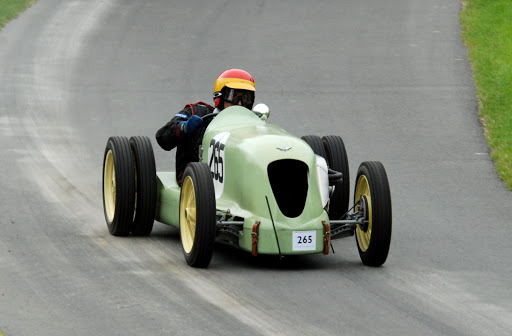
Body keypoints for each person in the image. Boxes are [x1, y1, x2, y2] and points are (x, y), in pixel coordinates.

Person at [156, 69, 256, 186]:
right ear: (220, 96)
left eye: (245, 98)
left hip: (236, 183)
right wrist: (184, 127)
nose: (239, 103)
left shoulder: (252, 123)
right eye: (233, 96)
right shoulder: (196, 112)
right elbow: (162, 138)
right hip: (194, 180)